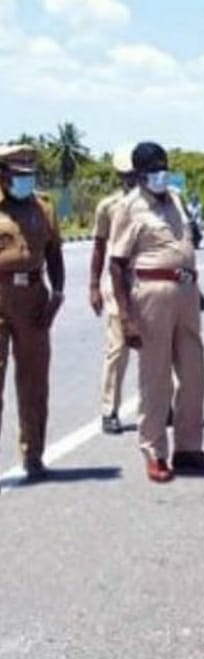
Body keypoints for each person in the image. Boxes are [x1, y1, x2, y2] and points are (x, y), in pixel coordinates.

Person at [109, 141, 204, 483]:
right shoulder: (128, 207)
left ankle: (188, 447)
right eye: (153, 169)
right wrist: (126, 318)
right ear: (139, 175)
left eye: (163, 167)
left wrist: (194, 288)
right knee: (155, 378)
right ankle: (154, 451)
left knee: (194, 372)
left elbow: (183, 246)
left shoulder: (175, 199)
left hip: (185, 291)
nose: (160, 174)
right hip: (151, 294)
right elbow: (116, 264)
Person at [0, 145, 65, 481]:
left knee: (34, 384)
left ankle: (34, 456)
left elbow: (55, 254)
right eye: (18, 175)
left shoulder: (44, 208)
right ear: (3, 175)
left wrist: (58, 293)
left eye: (30, 175)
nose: (24, 181)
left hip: (34, 301)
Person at [89, 145, 138, 435]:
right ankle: (110, 410)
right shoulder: (109, 206)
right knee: (117, 349)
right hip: (118, 282)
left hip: (151, 281)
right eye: (126, 175)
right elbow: (98, 248)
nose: (130, 179)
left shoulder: (159, 203)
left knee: (157, 349)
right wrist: (94, 285)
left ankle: (161, 405)